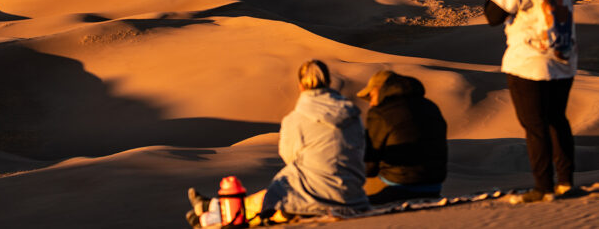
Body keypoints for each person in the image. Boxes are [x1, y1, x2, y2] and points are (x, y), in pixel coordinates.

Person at [186, 60, 369, 227]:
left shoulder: (295, 120)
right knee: (279, 191)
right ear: (329, 83)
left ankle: (211, 217)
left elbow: (288, 156)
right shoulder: (353, 115)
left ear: (300, 86)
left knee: (269, 199)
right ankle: (212, 205)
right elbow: (362, 150)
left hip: (314, 199)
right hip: (353, 196)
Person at [485, 0, 583, 203]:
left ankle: (543, 187)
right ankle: (565, 182)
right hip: (564, 57)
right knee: (558, 120)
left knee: (535, 126)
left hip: (528, 60)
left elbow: (493, 16)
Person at [359, 70, 448, 204]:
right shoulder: (430, 106)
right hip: (434, 185)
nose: (370, 103)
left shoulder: (380, 113)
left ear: (379, 90)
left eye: (370, 96)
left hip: (399, 186)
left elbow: (369, 166)